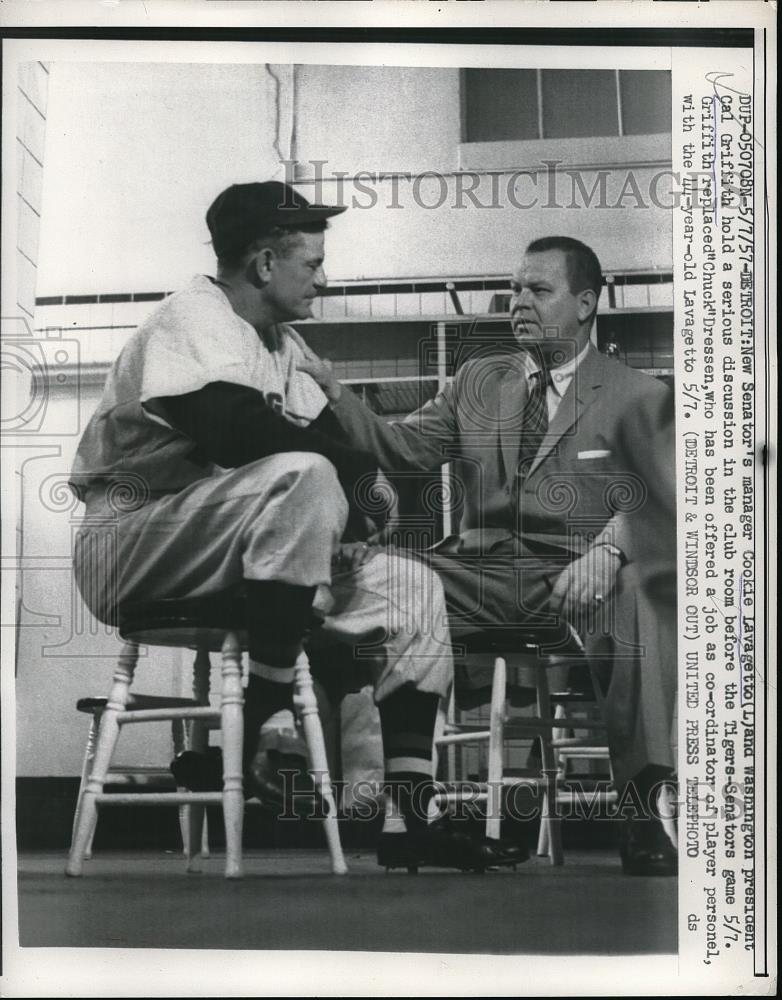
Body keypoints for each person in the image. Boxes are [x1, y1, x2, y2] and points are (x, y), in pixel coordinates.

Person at [68, 180, 526, 873]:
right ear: (262, 264)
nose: (323, 280)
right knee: (304, 473)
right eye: (311, 265)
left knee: (411, 589)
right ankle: (266, 713)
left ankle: (410, 814)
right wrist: (349, 476)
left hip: (226, 540)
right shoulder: (191, 314)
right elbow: (235, 430)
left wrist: (366, 483)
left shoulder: (279, 343)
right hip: (130, 538)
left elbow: (340, 452)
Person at [297, 236, 678, 876]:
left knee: (640, 593)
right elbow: (399, 448)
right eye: (514, 289)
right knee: (374, 579)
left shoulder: (640, 394)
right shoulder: (479, 380)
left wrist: (608, 552)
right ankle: (374, 791)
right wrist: (336, 394)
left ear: (585, 304)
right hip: (475, 573)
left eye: (538, 290)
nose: (518, 302)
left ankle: (642, 811)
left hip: (576, 577)